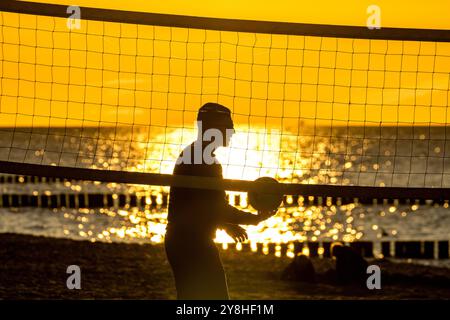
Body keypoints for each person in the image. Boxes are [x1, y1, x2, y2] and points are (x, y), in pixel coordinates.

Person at [165, 102, 276, 299]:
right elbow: (216, 207)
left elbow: (200, 205)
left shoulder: (196, 154)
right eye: (228, 126)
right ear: (213, 129)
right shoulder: (204, 160)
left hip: (182, 240)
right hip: (191, 243)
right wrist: (255, 219)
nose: (232, 131)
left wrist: (225, 225)